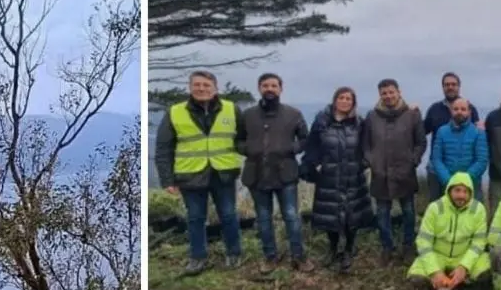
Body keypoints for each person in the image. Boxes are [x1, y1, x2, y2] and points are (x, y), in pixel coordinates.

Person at [154, 70, 245, 275]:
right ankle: (197, 257)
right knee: (195, 218)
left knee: (229, 215)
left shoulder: (232, 109)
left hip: (223, 172)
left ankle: (234, 253)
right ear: (190, 87)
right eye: (197, 85)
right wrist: (167, 179)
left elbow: (242, 138)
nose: (201, 89)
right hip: (190, 175)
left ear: (215, 88)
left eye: (206, 85)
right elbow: (163, 148)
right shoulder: (175, 112)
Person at [238, 73, 312, 273]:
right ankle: (270, 257)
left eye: (273, 85)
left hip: (285, 173)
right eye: (265, 85)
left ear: (281, 89)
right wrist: (249, 150)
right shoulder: (248, 115)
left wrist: (291, 148)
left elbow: (306, 139)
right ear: (259, 88)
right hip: (257, 173)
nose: (269, 89)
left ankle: (298, 256)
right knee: (263, 217)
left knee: (291, 216)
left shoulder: (293, 114)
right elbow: (238, 140)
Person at [301, 86, 370, 274]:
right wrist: (310, 166)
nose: (345, 101)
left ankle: (348, 249)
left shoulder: (359, 123)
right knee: (330, 213)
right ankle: (332, 249)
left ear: (353, 103)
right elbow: (312, 146)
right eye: (342, 97)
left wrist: (363, 164)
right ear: (335, 100)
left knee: (351, 215)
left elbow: (367, 147)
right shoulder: (322, 121)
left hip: (352, 176)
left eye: (349, 98)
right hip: (329, 175)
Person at [364, 78, 426, 263]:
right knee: (383, 213)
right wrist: (372, 161)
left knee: (408, 211)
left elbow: (421, 142)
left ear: (399, 92)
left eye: (391, 92)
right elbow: (365, 143)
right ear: (380, 95)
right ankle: (387, 247)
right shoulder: (372, 116)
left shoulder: (412, 114)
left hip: (404, 172)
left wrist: (413, 161)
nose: (388, 96)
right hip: (380, 173)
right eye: (384, 93)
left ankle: (408, 246)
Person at [409, 172, 489, 290]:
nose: (461, 195)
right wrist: (434, 271)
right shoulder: (435, 208)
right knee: (417, 276)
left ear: (471, 193)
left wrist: (464, 266)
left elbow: (479, 243)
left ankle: (465, 282)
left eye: (465, 191)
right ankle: (432, 286)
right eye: (457, 190)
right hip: (438, 255)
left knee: (485, 270)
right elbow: (423, 242)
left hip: (463, 255)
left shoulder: (478, 209)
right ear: (449, 191)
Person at [424, 72, 481, 203]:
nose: (450, 87)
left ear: (459, 86)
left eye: (453, 84)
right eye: (446, 84)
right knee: (437, 206)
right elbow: (422, 132)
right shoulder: (434, 109)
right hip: (436, 169)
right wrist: (412, 113)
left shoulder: (470, 108)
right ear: (442, 87)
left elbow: (478, 133)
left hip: (464, 170)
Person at [429, 98, 488, 202]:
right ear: (451, 111)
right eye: (456, 109)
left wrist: (465, 179)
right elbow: (437, 159)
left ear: (469, 112)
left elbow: (482, 160)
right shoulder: (442, 131)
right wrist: (448, 180)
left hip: (472, 185)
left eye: (463, 109)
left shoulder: (478, 132)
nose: (459, 112)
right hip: (448, 185)